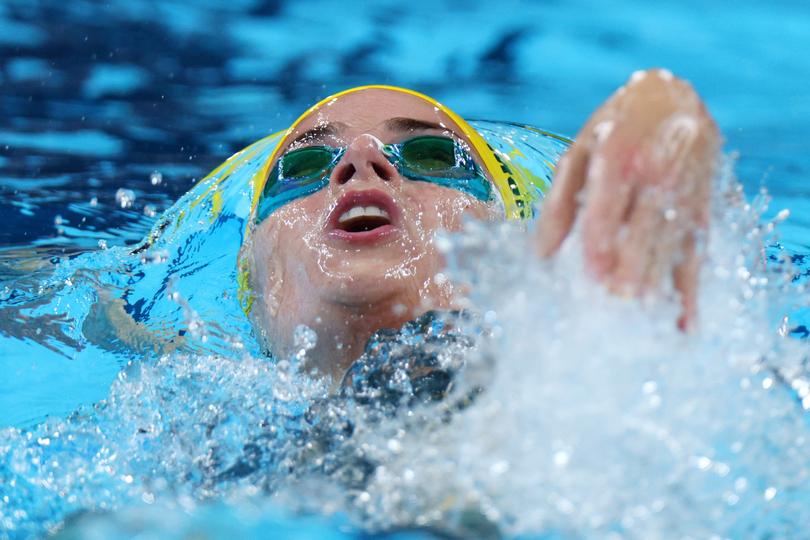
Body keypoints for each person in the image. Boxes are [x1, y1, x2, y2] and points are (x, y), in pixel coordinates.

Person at [240, 71, 720, 386]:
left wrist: (664, 108)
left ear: (509, 242)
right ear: (255, 280)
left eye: (434, 156)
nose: (361, 158)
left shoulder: (608, 393)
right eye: (302, 167)